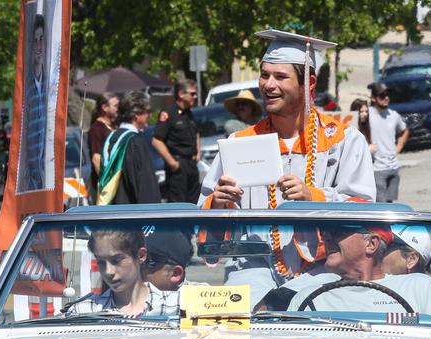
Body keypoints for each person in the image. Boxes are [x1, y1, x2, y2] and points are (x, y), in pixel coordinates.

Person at [200, 29, 375, 209]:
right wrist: (216, 203)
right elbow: (203, 211)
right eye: (265, 75)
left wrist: (314, 195)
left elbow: (363, 209)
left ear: (310, 82)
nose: (268, 85)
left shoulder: (343, 141)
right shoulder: (239, 143)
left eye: (281, 77)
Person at [289, 224, 431, 320]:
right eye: (325, 233)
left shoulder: (418, 286)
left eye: (337, 232)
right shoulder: (305, 297)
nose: (326, 238)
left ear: (371, 244)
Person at [98, 92, 162, 205]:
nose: (150, 116)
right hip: (132, 212)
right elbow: (144, 186)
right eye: (147, 112)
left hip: (112, 210)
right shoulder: (135, 142)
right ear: (136, 115)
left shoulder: (112, 138)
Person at [70, 228, 150, 315]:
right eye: (101, 262)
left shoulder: (165, 304)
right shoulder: (82, 312)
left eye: (117, 260)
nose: (108, 271)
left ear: (141, 255)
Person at [153, 79, 201, 203]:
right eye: (192, 94)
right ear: (181, 94)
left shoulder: (189, 113)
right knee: (179, 204)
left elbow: (196, 133)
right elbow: (157, 141)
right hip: (178, 166)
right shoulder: (169, 113)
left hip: (191, 164)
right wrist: (172, 163)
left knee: (194, 203)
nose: (195, 97)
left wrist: (198, 152)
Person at [367, 82, 409, 203]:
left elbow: (404, 130)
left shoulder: (393, 115)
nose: (386, 98)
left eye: (387, 95)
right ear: (374, 98)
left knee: (390, 204)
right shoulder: (367, 115)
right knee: (381, 205)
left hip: (393, 167)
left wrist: (398, 147)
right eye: (382, 95)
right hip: (377, 169)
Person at [23, 12, 47, 192]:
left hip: (44, 181)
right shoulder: (26, 84)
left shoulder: (50, 84)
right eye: (35, 40)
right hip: (30, 184)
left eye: (42, 39)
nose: (39, 46)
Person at [87, 93, 119, 195]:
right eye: (115, 106)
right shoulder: (96, 129)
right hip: (105, 185)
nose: (118, 109)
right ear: (104, 107)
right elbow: (96, 158)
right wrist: (106, 182)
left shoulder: (114, 126)